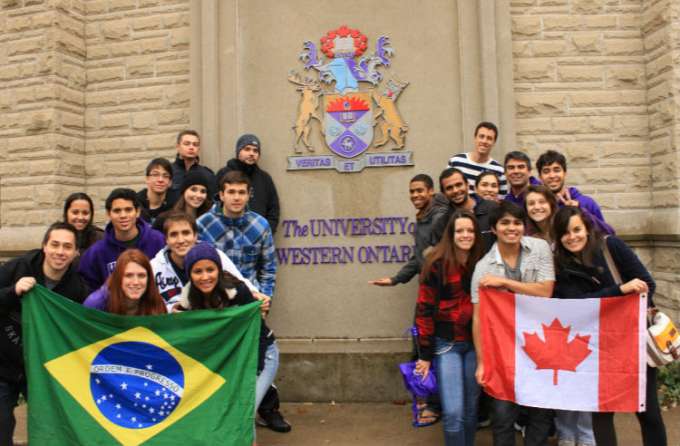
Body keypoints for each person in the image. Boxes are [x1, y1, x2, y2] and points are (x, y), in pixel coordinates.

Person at [552, 206, 667, 446]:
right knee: (602, 413)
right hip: (597, 348)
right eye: (565, 233)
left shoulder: (611, 246)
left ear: (586, 228)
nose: (572, 237)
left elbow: (647, 284)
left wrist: (619, 295)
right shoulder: (561, 266)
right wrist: (619, 290)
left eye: (577, 230)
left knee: (647, 411)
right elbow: (574, 306)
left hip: (635, 342)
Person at [197, 171, 288, 432]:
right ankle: (221, 413)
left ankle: (268, 409)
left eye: (242, 192)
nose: (236, 198)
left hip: (252, 304)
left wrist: (265, 298)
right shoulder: (203, 224)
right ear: (222, 194)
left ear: (249, 195)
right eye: (231, 192)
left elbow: (268, 267)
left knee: (258, 356)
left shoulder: (260, 225)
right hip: (216, 304)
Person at [471, 201, 555, 446]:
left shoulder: (539, 248)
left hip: (539, 343)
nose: (512, 228)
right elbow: (479, 318)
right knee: (502, 414)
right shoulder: (483, 268)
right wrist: (482, 362)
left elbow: (546, 291)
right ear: (494, 229)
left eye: (517, 223)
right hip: (503, 350)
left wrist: (505, 283)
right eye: (505, 223)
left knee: (540, 411)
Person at [0, 222, 89, 446]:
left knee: (53, 429)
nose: (60, 252)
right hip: (3, 364)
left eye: (67, 247)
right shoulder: (17, 268)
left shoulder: (77, 289)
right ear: (44, 247)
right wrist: (13, 291)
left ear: (76, 252)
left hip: (42, 372)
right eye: (55, 245)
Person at [174, 243, 273, 442]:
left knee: (243, 409)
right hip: (225, 363)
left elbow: (259, 334)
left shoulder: (239, 291)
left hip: (261, 356)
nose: (205, 277)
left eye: (210, 269)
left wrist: (254, 368)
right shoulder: (187, 302)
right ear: (189, 274)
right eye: (197, 271)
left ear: (219, 270)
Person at [414, 211, 483, 446]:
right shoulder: (437, 264)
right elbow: (423, 311)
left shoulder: (483, 263)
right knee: (453, 412)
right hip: (447, 345)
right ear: (451, 235)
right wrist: (424, 355)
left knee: (471, 410)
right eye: (460, 231)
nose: (465, 235)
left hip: (476, 345)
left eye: (470, 230)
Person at [151, 211, 259, 309]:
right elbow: (148, 305)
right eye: (174, 235)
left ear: (195, 236)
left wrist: (257, 295)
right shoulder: (154, 267)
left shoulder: (215, 256)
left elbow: (238, 281)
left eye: (186, 233)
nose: (180, 240)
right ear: (166, 239)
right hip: (176, 326)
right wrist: (171, 309)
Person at [78, 188, 166, 290]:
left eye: (128, 210)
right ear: (108, 214)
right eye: (117, 211)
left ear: (137, 212)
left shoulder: (158, 241)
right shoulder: (95, 253)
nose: (123, 215)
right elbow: (87, 292)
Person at [369, 174, 446, 287]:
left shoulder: (439, 218)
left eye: (420, 191)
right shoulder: (424, 217)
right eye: (412, 191)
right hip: (429, 283)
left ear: (431, 191)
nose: (415, 195)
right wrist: (395, 279)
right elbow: (419, 256)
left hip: (443, 285)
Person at [536, 150, 614, 235]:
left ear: (565, 173)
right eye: (546, 171)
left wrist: (581, 211)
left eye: (556, 170)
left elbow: (608, 233)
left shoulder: (586, 203)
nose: (552, 176)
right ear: (540, 177)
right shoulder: (538, 208)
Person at [215, 134, 281, 234]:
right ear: (238, 152)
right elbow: (215, 203)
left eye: (255, 150)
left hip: (257, 236)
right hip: (226, 236)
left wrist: (267, 232)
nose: (252, 153)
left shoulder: (264, 178)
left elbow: (273, 209)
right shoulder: (224, 174)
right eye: (247, 149)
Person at [431, 167, 499, 252]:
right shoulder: (442, 224)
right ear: (443, 194)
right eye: (449, 188)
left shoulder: (493, 209)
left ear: (467, 185)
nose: (455, 190)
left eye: (459, 185)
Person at [83, 249, 166, 316]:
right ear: (118, 278)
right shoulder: (96, 304)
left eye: (141, 275)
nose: (136, 282)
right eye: (129, 275)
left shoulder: (156, 302)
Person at [448, 122, 508, 195]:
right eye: (481, 136)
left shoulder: (499, 171)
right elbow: (446, 189)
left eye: (489, 138)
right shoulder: (456, 161)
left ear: (494, 142)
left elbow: (501, 200)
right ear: (475, 138)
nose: (484, 141)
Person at [169, 130, 217, 203]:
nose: (191, 147)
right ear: (178, 147)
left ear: (198, 149)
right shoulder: (168, 172)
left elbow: (213, 202)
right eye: (187, 144)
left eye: (195, 144)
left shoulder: (207, 174)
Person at [137, 158, 174, 225]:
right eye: (155, 175)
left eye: (165, 176)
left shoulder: (176, 207)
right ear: (147, 179)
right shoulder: (135, 205)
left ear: (170, 182)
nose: (160, 180)